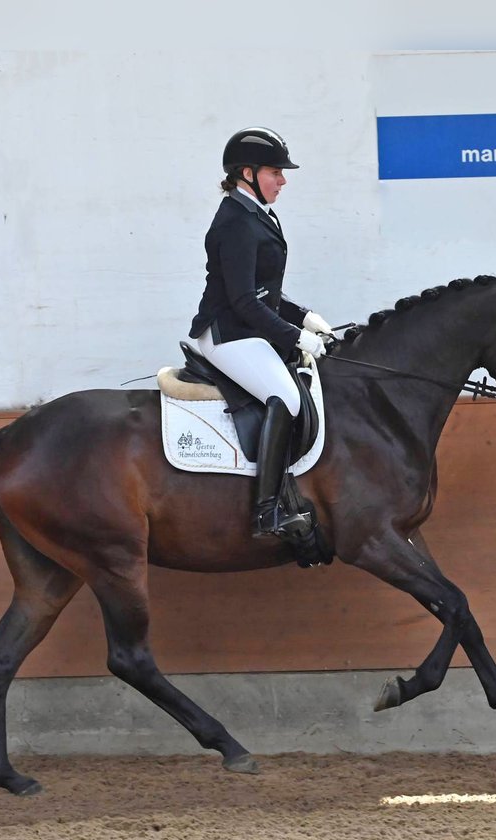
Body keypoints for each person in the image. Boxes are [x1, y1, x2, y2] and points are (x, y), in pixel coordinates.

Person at [188, 126, 333, 539]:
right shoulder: (235, 222)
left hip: (247, 327)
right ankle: (267, 512)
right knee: (284, 397)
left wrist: (305, 317)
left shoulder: (256, 214)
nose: (283, 180)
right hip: (227, 334)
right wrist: (293, 336)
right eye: (275, 172)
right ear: (246, 173)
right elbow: (243, 301)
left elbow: (264, 291)